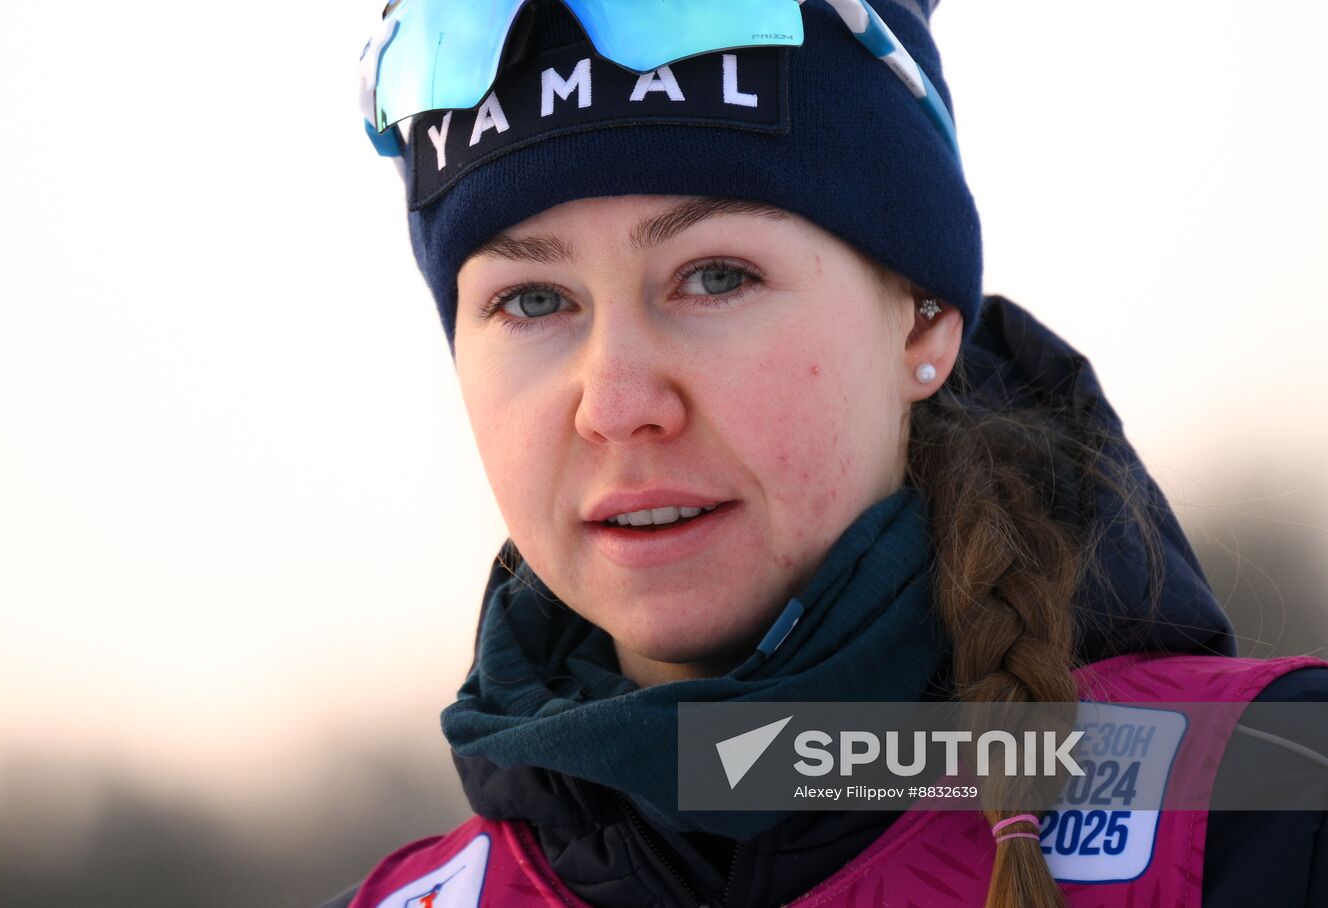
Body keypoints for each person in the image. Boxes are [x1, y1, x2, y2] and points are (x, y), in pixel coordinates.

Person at [324, 1, 1328, 905]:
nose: (619, 405)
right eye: (531, 301)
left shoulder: (1273, 800)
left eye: (714, 276)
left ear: (923, 322)